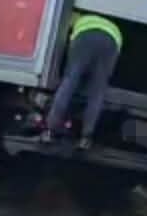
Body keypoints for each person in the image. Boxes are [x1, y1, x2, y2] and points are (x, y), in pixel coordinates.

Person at [40, 11, 123, 150]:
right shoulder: (111, 26)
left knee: (69, 82)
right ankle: (86, 138)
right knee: (98, 91)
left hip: (85, 36)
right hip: (113, 40)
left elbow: (69, 50)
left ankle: (49, 130)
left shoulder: (79, 20)